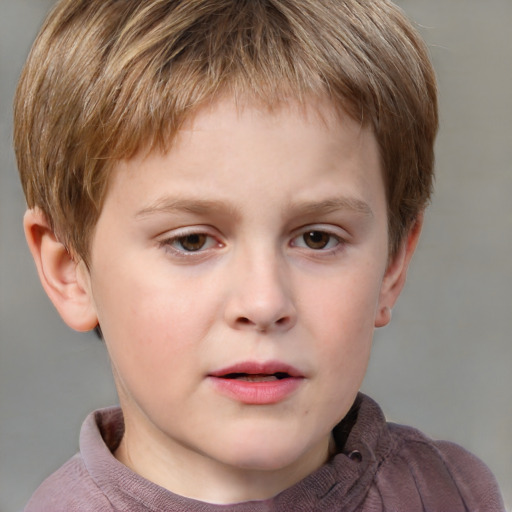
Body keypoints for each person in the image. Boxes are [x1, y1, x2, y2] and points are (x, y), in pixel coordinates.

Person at [14, 0, 505, 510]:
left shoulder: (454, 493)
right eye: (192, 241)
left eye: (317, 238)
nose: (264, 301)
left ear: (392, 266)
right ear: (70, 270)